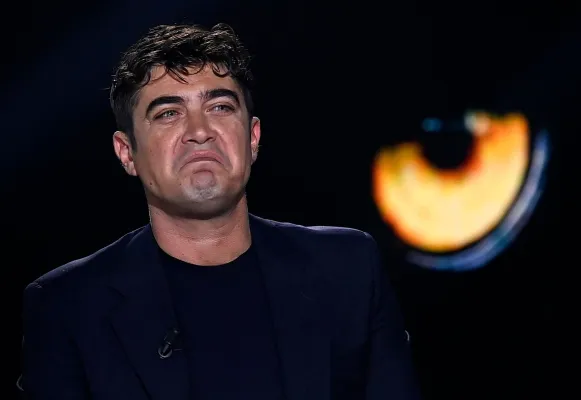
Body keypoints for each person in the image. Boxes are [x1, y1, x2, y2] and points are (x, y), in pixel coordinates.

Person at [20, 23, 420, 400]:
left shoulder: (349, 269)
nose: (199, 131)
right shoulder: (67, 306)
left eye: (221, 107)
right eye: (168, 113)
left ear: (253, 137)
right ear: (127, 153)